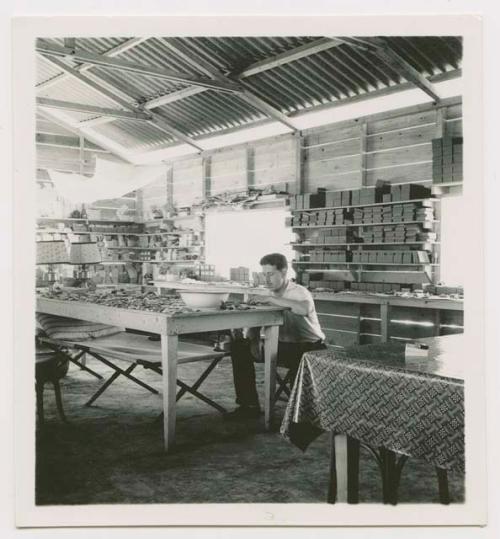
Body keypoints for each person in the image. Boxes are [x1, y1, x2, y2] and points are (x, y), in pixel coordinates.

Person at [227, 252, 326, 419]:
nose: (267, 279)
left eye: (271, 274)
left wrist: (272, 300)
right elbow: (255, 323)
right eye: (264, 275)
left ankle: (300, 415)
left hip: (309, 346)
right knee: (239, 348)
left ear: (284, 272)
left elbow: (303, 309)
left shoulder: (298, 291)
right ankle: (249, 405)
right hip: (279, 345)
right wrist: (253, 341)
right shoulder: (266, 293)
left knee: (301, 360)